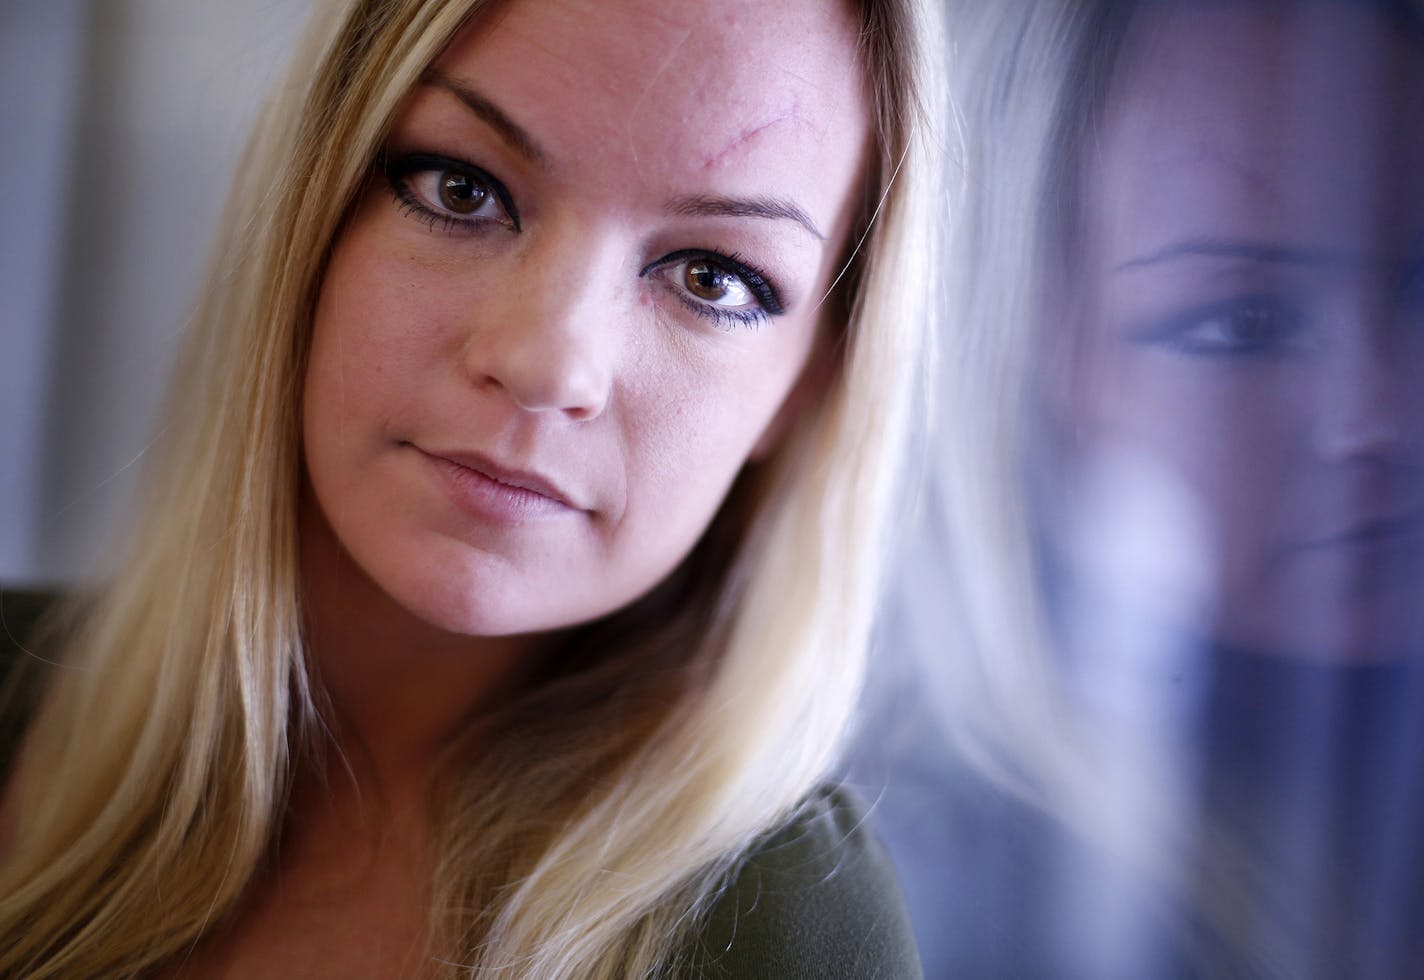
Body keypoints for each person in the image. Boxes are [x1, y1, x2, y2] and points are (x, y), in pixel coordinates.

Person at [0, 0, 947, 975]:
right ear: (311, 208)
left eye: (710, 276)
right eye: (463, 190)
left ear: (808, 384)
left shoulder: (788, 933)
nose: (547, 364)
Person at [906, 0, 1424, 975]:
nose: (1387, 412)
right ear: (1010, 383)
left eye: (1421, 286)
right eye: (1243, 322)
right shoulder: (954, 895)